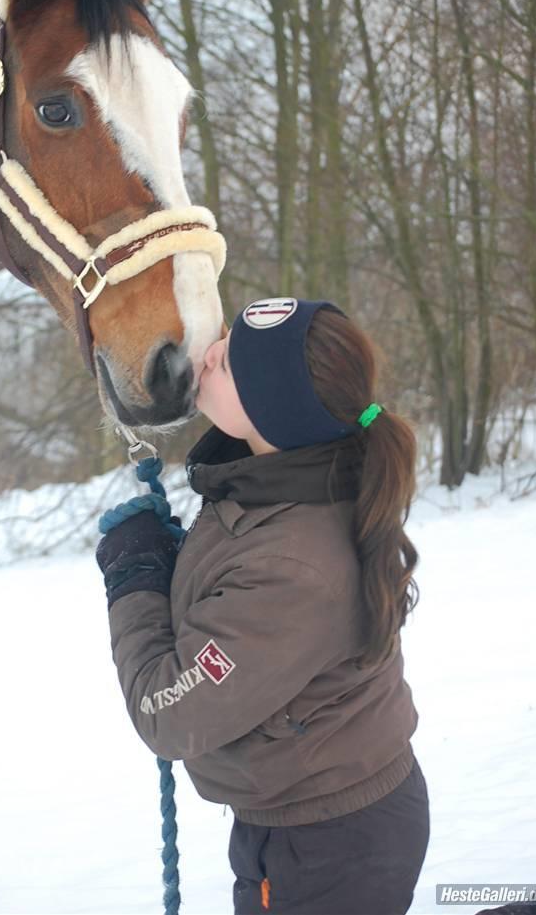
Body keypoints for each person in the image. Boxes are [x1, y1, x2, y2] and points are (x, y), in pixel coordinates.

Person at [96, 297, 430, 914]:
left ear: (271, 410)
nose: (210, 352)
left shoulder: (291, 567)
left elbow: (170, 713)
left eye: (232, 362)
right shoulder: (274, 481)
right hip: (317, 816)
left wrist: (135, 580)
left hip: (330, 848)